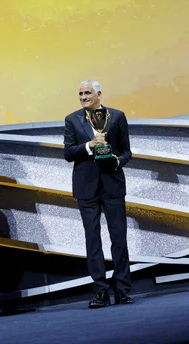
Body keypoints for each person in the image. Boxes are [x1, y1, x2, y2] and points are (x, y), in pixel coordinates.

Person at [63, 80, 134, 308]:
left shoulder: (117, 116)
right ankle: (100, 291)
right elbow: (68, 153)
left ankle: (122, 289)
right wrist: (89, 145)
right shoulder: (72, 119)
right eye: (80, 93)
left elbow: (127, 151)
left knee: (119, 238)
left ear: (99, 94)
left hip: (112, 184)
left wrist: (117, 161)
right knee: (93, 240)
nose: (83, 97)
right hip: (86, 188)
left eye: (87, 93)